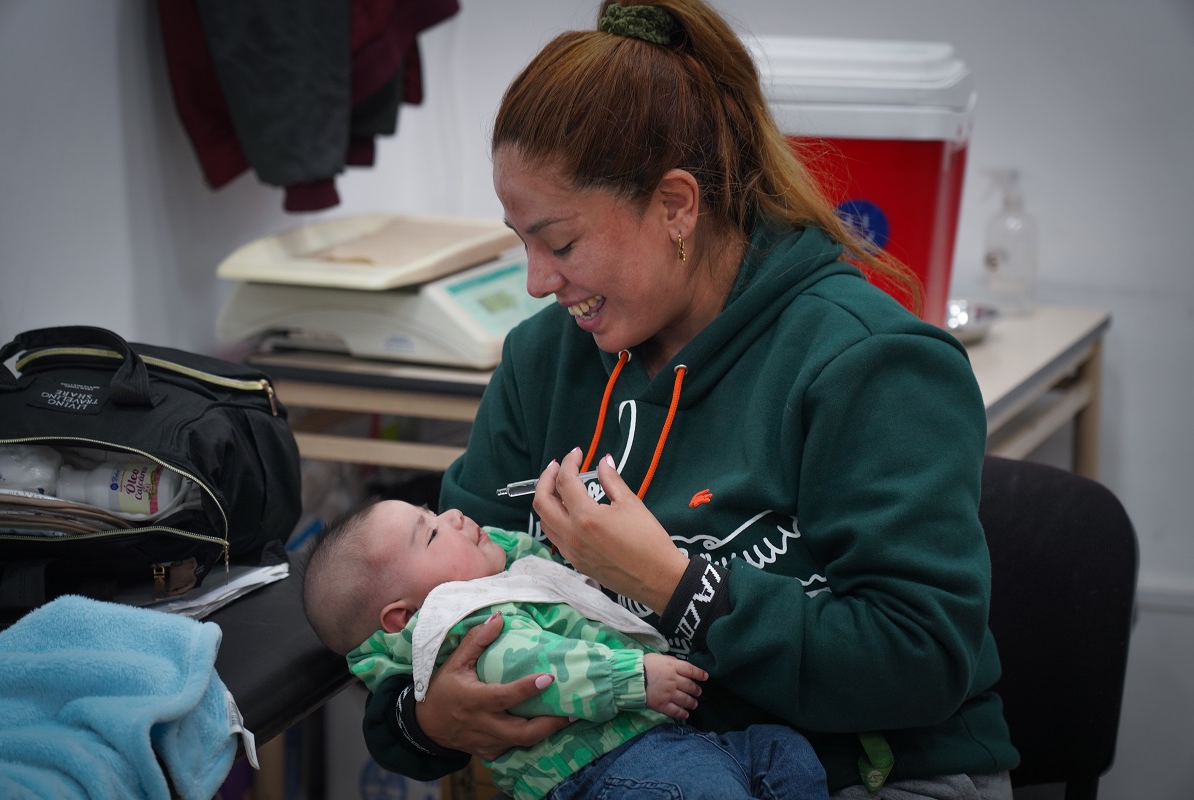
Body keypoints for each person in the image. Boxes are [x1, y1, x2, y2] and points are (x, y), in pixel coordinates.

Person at [360, 1, 1021, 797]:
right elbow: (421, 613)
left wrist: (677, 586)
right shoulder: (544, 362)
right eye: (520, 240)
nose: (537, 280)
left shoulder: (869, 364)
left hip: (863, 771)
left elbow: (922, 659)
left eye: (561, 243)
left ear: (676, 206)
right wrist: (425, 720)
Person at [303, 497, 830, 800]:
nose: (456, 516)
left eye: (433, 512)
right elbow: (542, 672)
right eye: (433, 535)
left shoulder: (497, 575)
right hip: (603, 773)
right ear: (403, 615)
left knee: (786, 755)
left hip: (672, 746)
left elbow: (530, 556)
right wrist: (636, 679)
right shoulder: (464, 629)